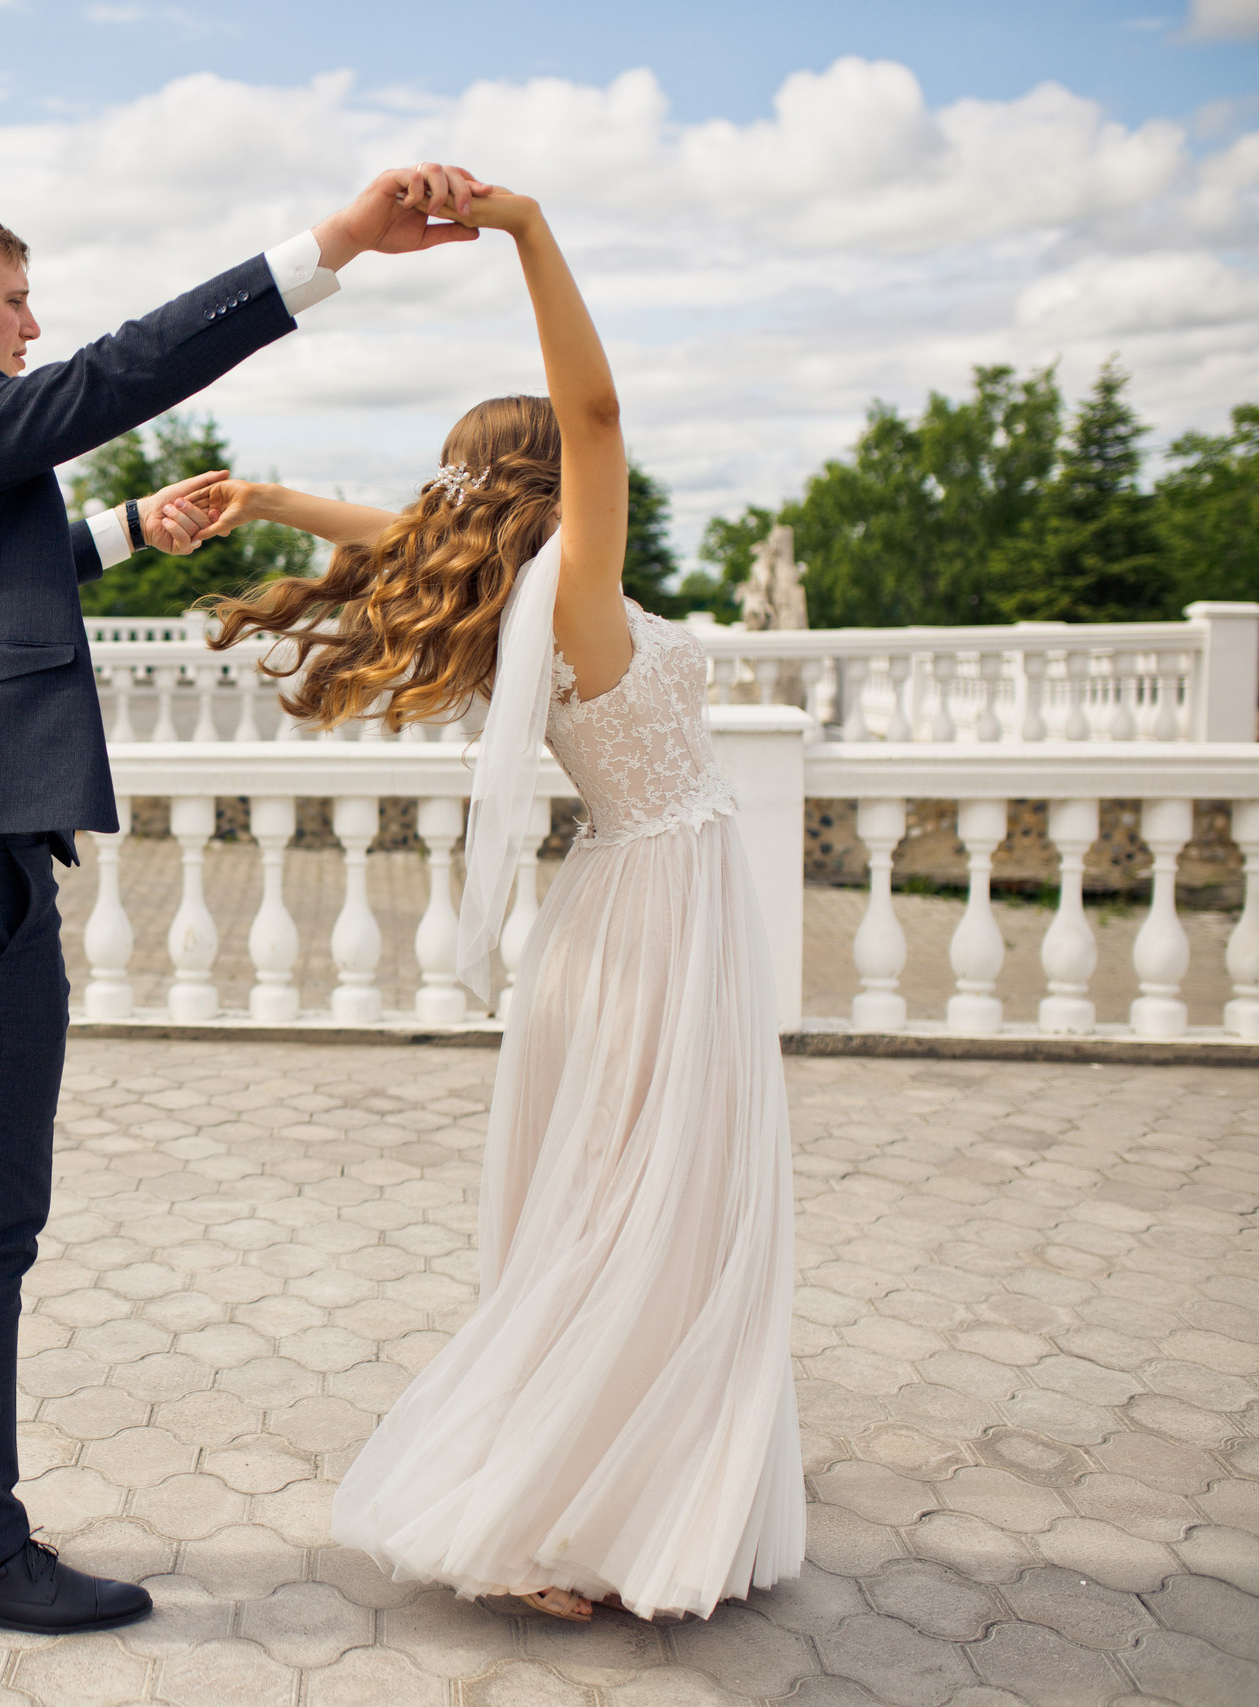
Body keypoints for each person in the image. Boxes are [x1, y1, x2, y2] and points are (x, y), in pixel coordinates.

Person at [0, 166, 489, 1636]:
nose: (34, 326)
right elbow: (124, 370)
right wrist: (334, 250)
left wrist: (128, 534)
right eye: (13, 303)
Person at [170, 181, 804, 1623]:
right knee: (648, 1217)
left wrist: (271, 497)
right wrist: (527, 231)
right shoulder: (573, 586)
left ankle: (616, 1493)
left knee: (634, 1210)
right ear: (550, 489)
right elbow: (599, 419)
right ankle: (544, 1509)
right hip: (662, 915)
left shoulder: (534, 598)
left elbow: (406, 535)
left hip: (628, 909)